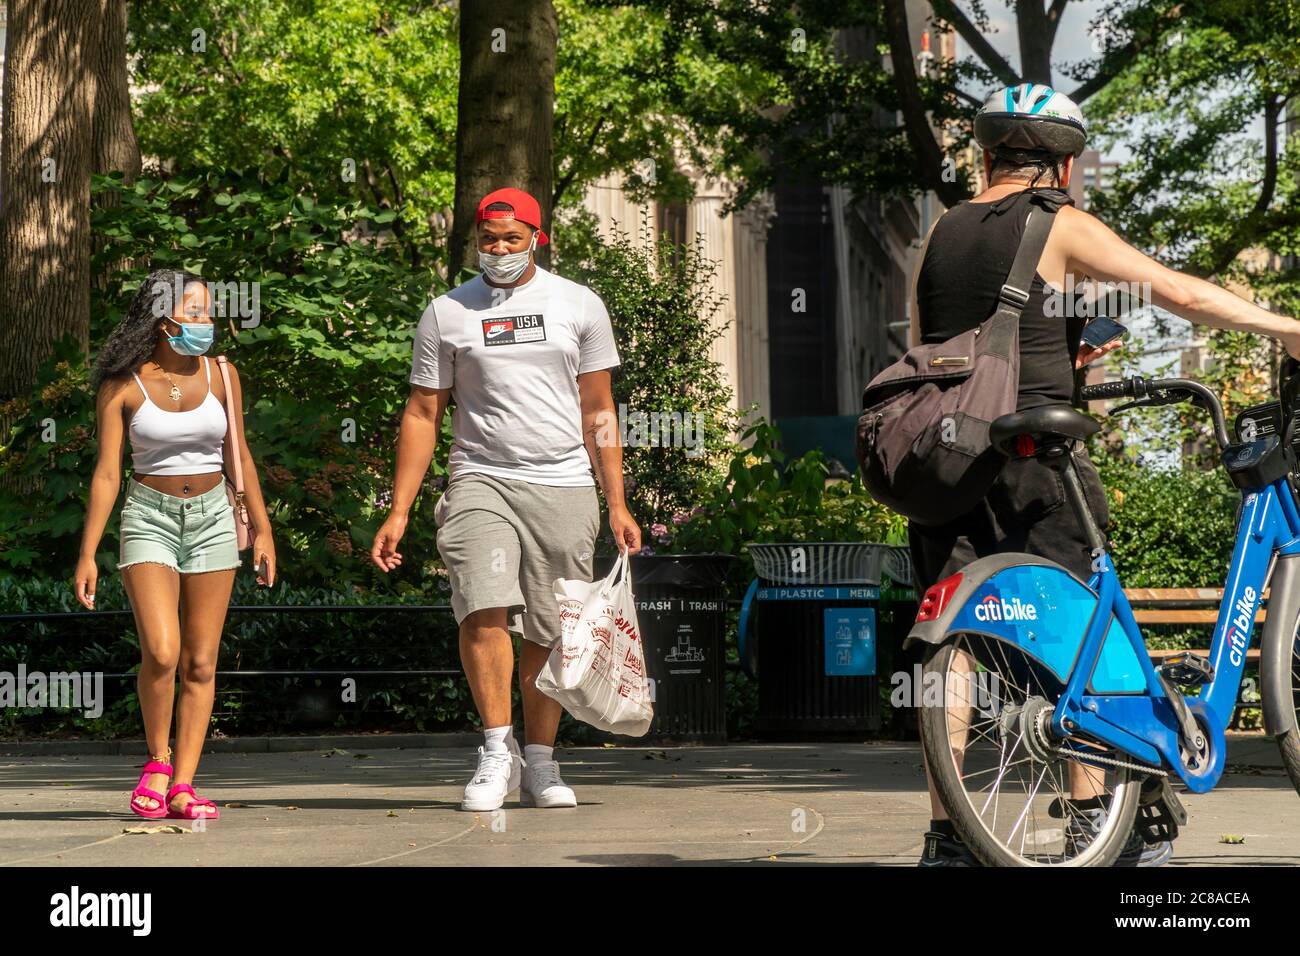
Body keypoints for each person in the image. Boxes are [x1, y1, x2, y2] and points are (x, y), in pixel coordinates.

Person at [908, 84, 1300, 866]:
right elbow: (1180, 293)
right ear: (1063, 163)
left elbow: (935, 346)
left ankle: (948, 838)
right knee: (1081, 630)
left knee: (949, 647)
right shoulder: (1057, 223)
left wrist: (1066, 353)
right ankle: (1098, 822)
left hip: (947, 459)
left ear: (988, 157)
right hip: (1032, 457)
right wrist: (1287, 328)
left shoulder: (939, 234)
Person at [371, 187, 640, 812]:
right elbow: (422, 412)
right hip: (479, 480)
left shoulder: (579, 305)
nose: (498, 250)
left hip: (564, 484)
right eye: (488, 240)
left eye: (511, 239)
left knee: (549, 627)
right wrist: (400, 508)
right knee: (482, 607)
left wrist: (617, 501)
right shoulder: (448, 312)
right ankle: (497, 750)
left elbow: (599, 410)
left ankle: (541, 762)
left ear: (537, 238)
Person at [75, 268, 277, 822]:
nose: (205, 322)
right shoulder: (123, 384)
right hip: (148, 517)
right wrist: (88, 551)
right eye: (195, 312)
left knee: (202, 662)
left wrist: (262, 529)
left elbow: (240, 456)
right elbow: (107, 476)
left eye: (209, 312)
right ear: (163, 321)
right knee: (162, 652)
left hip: (214, 517)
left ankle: (185, 784)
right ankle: (158, 762)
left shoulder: (224, 375)